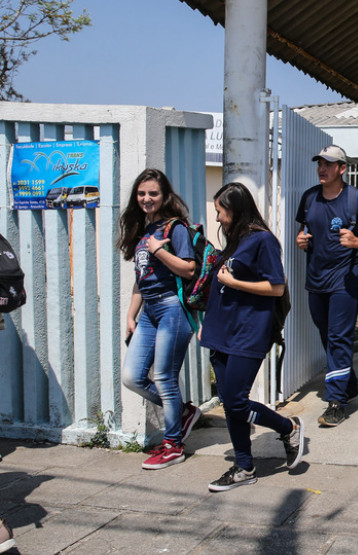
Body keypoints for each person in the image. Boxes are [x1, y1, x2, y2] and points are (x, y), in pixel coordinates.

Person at [201, 182, 305, 491]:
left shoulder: (263, 241)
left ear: (235, 210)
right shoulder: (235, 241)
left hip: (248, 332)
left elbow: (276, 288)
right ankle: (244, 467)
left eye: (220, 211)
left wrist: (234, 283)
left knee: (234, 400)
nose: (217, 217)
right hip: (221, 331)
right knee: (230, 401)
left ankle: (287, 427)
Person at [117, 168, 202, 471]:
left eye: (153, 193)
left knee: (164, 377)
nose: (146, 198)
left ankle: (173, 446)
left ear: (165, 195)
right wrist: (131, 314)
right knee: (132, 377)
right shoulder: (144, 230)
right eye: (142, 194)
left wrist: (159, 251)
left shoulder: (174, 228)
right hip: (149, 311)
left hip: (172, 309)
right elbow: (142, 279)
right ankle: (181, 413)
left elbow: (189, 268)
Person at [295, 145, 358, 427]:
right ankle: (348, 382)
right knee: (326, 334)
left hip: (346, 279)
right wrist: (301, 239)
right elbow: (304, 230)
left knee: (339, 337)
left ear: (342, 169)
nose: (322, 168)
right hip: (316, 278)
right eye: (320, 163)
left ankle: (336, 402)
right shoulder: (309, 198)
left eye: (329, 164)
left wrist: (356, 242)